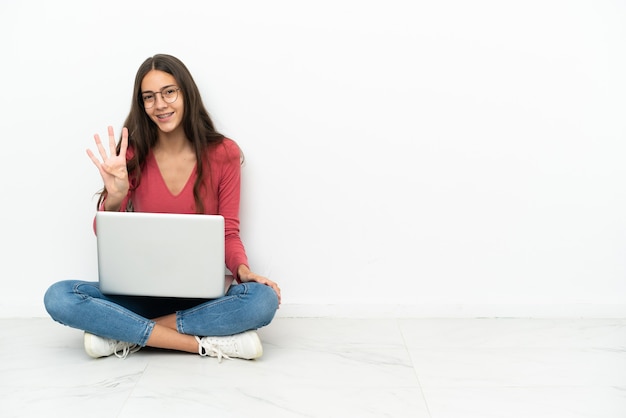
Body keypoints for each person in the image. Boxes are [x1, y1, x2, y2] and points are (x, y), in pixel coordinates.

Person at [44, 54, 281, 361]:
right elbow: (104, 233)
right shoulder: (130, 154)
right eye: (149, 97)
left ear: (186, 93)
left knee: (261, 300)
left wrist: (243, 270)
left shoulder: (224, 153)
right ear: (141, 104)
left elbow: (229, 232)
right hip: (140, 295)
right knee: (59, 297)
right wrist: (115, 198)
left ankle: (125, 334)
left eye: (169, 92)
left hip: (202, 299)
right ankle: (203, 343)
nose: (160, 105)